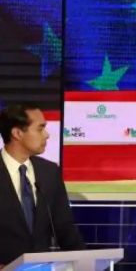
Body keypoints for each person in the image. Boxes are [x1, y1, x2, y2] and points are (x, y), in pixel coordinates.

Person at [0, 103, 84, 267]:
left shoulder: (49, 172)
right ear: (17, 133)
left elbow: (65, 229)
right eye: (40, 129)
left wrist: (85, 264)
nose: (46, 135)